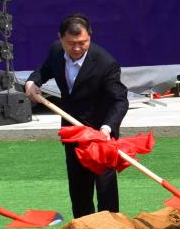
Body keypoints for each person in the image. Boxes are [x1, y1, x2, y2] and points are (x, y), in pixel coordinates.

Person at [25, 14, 128, 217]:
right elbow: (44, 70)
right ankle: (82, 228)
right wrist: (32, 82)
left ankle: (112, 228)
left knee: (105, 187)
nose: (77, 48)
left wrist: (107, 128)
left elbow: (120, 100)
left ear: (90, 36)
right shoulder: (56, 51)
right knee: (78, 186)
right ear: (60, 38)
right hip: (72, 132)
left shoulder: (105, 63)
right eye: (71, 43)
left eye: (83, 42)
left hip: (100, 133)